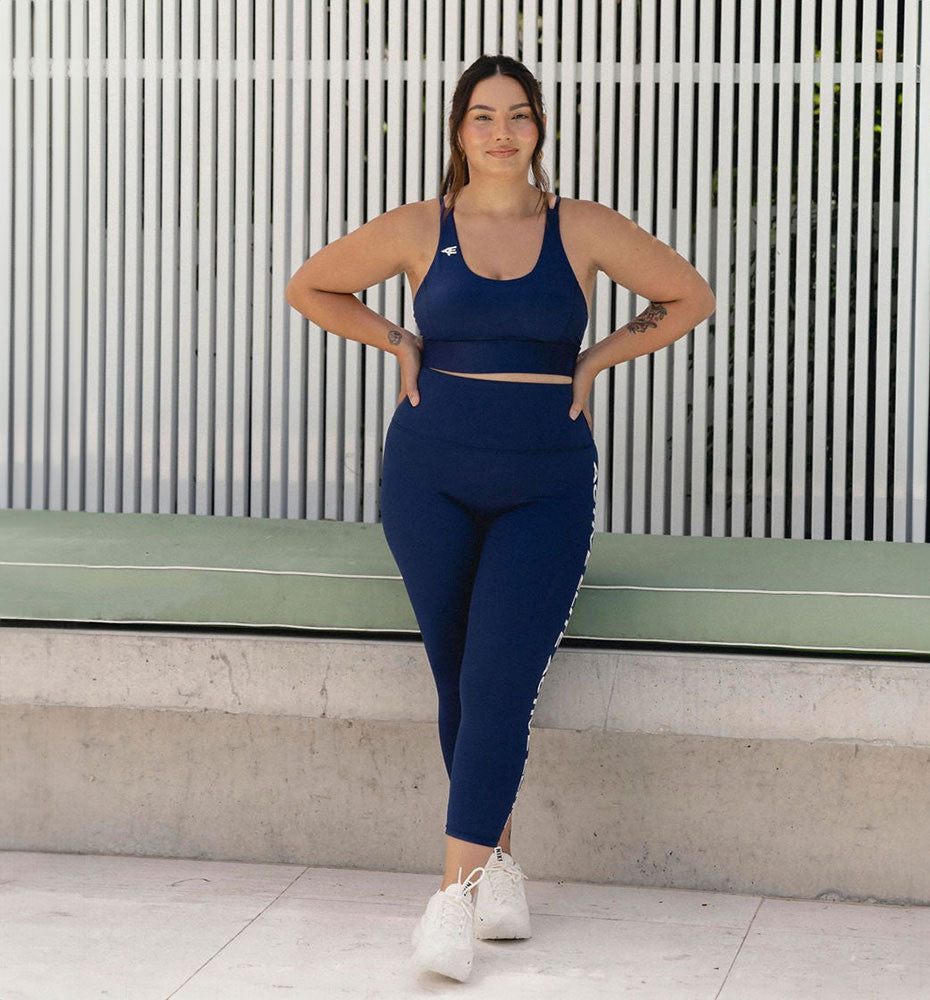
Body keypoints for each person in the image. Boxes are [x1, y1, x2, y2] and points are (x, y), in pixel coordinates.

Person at [285, 53, 715, 983]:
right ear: (458, 132)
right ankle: (497, 867)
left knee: (502, 678)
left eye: (519, 115)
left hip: (546, 481)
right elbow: (310, 286)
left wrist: (597, 359)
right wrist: (395, 336)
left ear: (540, 130)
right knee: (462, 681)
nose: (502, 132)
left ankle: (447, 901)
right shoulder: (416, 229)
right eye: (483, 116)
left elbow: (689, 296)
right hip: (428, 472)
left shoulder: (585, 227)